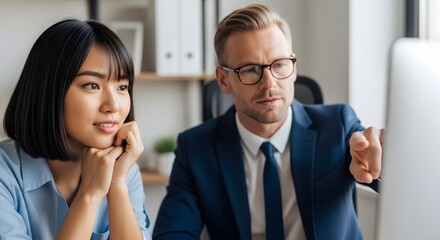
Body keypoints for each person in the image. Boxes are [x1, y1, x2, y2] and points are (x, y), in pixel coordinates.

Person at [153, 4, 383, 240]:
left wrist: (383, 161)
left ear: (294, 68)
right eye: (251, 69)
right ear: (223, 80)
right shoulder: (196, 149)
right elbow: (172, 234)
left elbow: (394, 187)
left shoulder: (338, 127)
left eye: (280, 64)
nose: (269, 83)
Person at [0, 19, 151, 239]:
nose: (114, 106)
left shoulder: (125, 171)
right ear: (49, 91)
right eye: (92, 85)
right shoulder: (5, 174)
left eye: (122, 87)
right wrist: (90, 194)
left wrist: (117, 186)